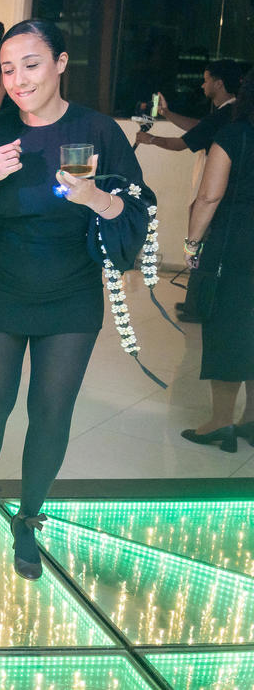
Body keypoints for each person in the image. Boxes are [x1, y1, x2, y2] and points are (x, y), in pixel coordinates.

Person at [0, 19, 155, 581]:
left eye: (31, 65)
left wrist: (94, 198)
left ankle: (29, 517)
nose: (18, 80)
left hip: (70, 292)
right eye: (8, 69)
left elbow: (137, 213)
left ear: (61, 63)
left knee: (52, 411)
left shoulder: (98, 130)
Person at [180, 66, 254, 452]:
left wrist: (191, 244)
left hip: (236, 245)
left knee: (228, 330)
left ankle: (221, 422)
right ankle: (251, 420)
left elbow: (209, 196)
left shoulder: (234, 134)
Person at [135, 59, 241, 323]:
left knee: (201, 245)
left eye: (206, 80)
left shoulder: (227, 114)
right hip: (220, 194)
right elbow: (198, 127)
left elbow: (182, 143)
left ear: (218, 83)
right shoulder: (227, 113)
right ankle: (195, 302)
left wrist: (150, 139)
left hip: (215, 192)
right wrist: (168, 113)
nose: (202, 85)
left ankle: (198, 306)